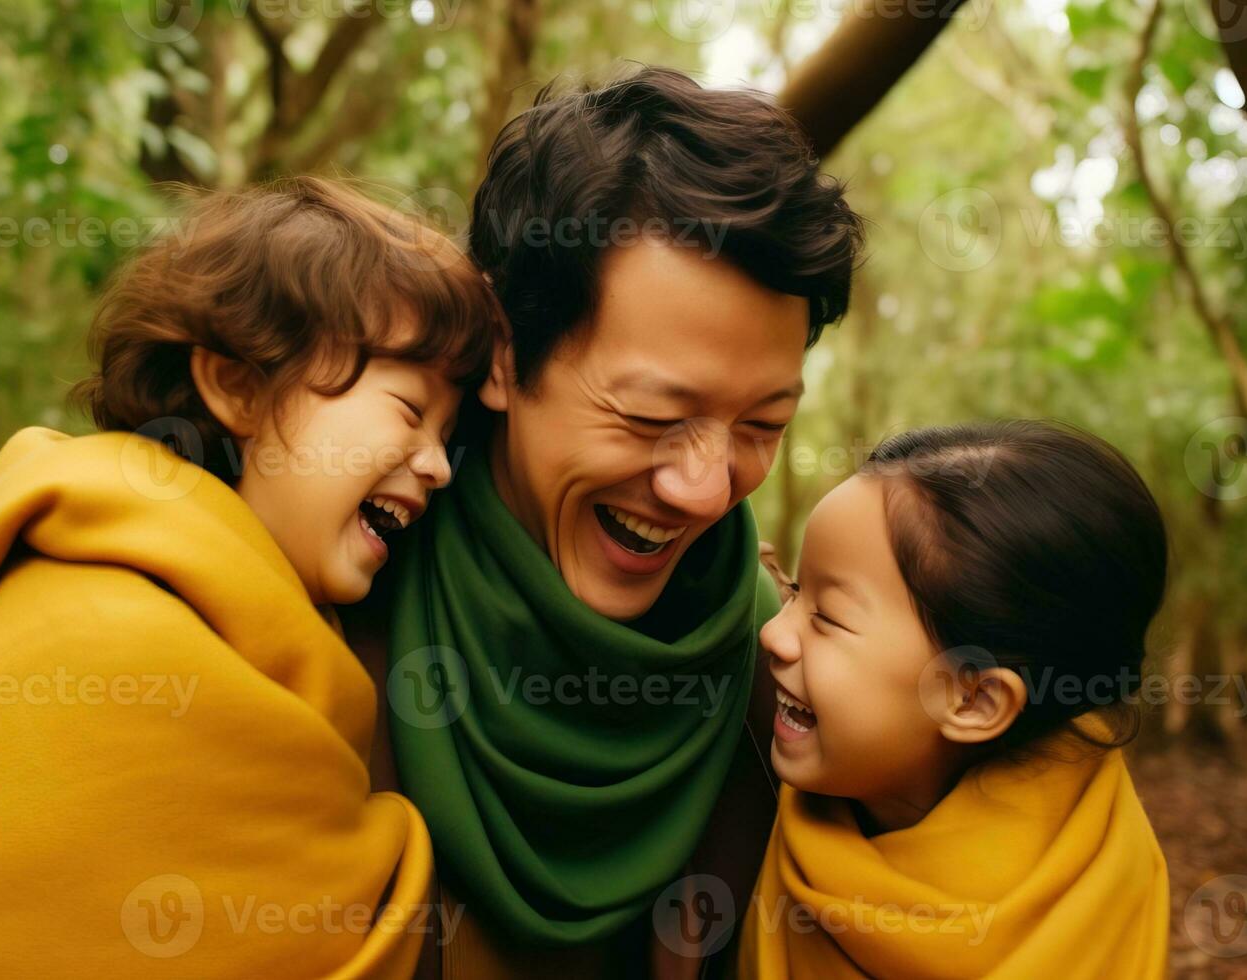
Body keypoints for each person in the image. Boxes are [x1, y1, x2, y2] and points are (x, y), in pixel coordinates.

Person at [0, 177, 501, 978]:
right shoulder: (106, 623)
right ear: (237, 385)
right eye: (407, 410)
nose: (437, 464)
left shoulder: (195, 594)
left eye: (447, 431)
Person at [342, 65, 865, 976]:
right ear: (505, 354)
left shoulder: (786, 681)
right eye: (651, 418)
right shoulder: (333, 604)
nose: (705, 490)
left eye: (762, 426)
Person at [739, 421, 1171, 978]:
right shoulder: (821, 794)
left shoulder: (1098, 885)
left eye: (827, 618)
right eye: (795, 589)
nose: (772, 633)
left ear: (975, 700)